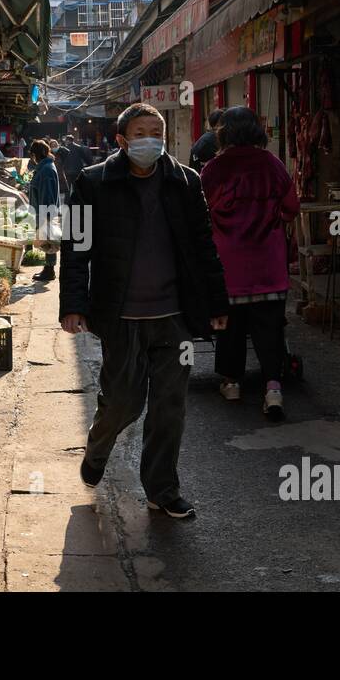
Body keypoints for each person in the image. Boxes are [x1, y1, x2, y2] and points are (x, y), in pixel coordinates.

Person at [60, 102, 229, 519]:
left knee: (170, 405)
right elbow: (76, 247)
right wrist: (73, 305)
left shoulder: (186, 182)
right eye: (140, 132)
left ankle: (162, 489)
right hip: (120, 316)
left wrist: (216, 303)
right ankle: (98, 448)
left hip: (174, 317)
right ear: (121, 140)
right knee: (124, 403)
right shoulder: (92, 182)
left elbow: (205, 245)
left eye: (157, 131)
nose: (150, 139)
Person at [200, 105, 299, 418]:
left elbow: (201, 214)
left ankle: (232, 383)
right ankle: (272, 390)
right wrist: (272, 220)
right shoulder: (272, 164)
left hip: (228, 266)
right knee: (269, 329)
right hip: (268, 265)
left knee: (229, 327)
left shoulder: (213, 170)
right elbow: (292, 207)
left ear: (223, 132)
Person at [27, 140, 61, 281]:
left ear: (36, 154)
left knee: (49, 241)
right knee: (48, 240)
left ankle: (49, 270)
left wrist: (46, 216)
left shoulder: (46, 169)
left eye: (33, 155)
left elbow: (47, 195)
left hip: (46, 211)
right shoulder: (45, 167)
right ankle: (48, 269)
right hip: (44, 211)